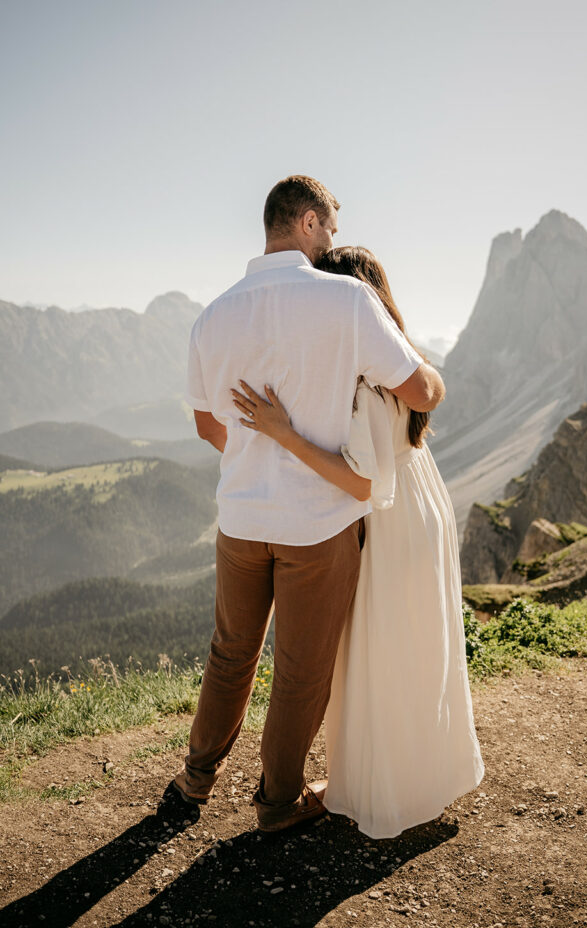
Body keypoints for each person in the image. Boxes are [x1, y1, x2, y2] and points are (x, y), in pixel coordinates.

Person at [172, 176, 446, 833]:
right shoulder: (346, 300)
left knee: (230, 653)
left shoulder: (212, 316)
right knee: (299, 673)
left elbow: (209, 427)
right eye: (328, 225)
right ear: (306, 223)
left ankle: (195, 778)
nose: (332, 239)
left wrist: (253, 456)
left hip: (239, 518)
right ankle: (276, 805)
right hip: (318, 525)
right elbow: (421, 393)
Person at [232, 245, 485, 838]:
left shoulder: (360, 382)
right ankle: (426, 776)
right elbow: (422, 406)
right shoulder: (399, 363)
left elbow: (364, 480)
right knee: (420, 645)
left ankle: (380, 789)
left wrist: (282, 434)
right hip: (425, 502)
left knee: (378, 653)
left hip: (389, 516)